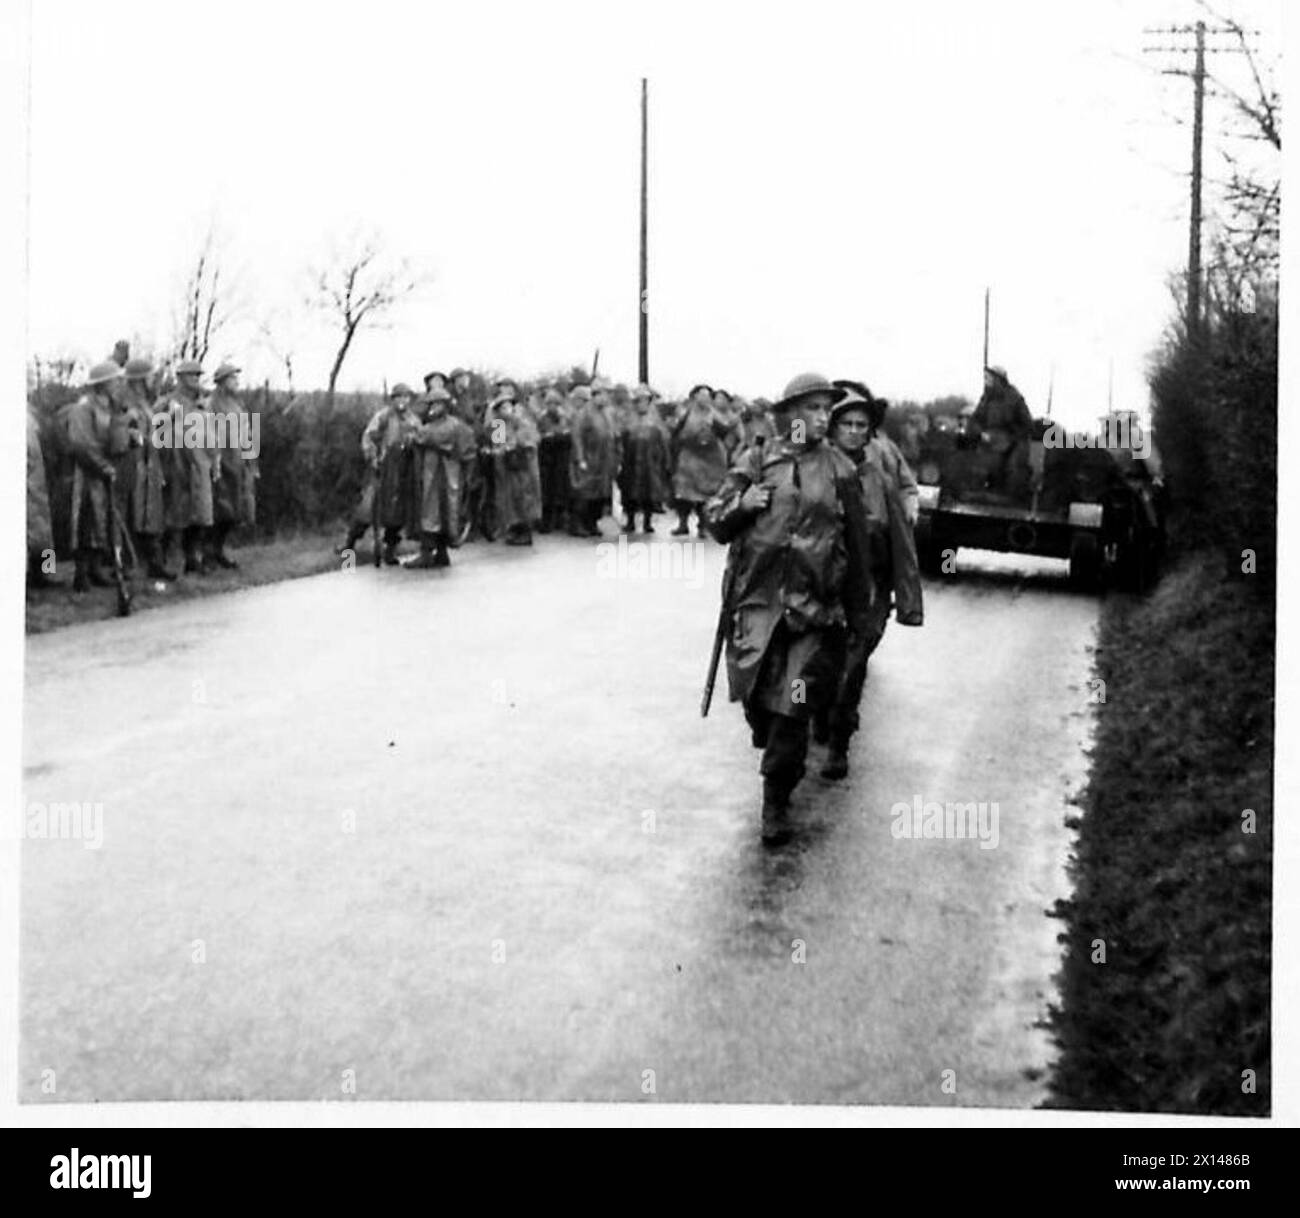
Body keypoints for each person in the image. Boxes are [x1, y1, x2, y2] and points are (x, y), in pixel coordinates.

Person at [703, 372, 874, 846]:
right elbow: (714, 519)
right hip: (757, 609)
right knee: (760, 706)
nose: (825, 419)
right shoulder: (757, 460)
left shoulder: (841, 470)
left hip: (813, 615)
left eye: (828, 410)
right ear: (792, 415)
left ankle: (775, 801)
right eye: (816, 409)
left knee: (793, 708)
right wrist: (743, 504)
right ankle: (771, 746)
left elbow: (858, 549)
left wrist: (859, 616)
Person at [815, 381, 925, 779]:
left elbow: (902, 499)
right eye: (847, 423)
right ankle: (823, 716)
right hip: (824, 583)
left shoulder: (880, 463)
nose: (857, 431)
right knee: (821, 665)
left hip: (870, 583)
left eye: (863, 424)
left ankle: (839, 742)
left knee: (854, 662)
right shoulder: (813, 465)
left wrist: (907, 508)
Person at [63, 361, 128, 592]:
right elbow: (81, 444)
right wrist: (102, 466)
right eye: (115, 380)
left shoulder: (112, 407)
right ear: (104, 383)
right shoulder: (83, 408)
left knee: (104, 522)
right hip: (87, 472)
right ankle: (81, 574)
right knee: (85, 521)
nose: (119, 383)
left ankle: (96, 568)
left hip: (106, 471)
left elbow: (115, 436)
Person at [337, 383, 418, 564]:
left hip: (402, 472)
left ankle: (390, 550)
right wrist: (372, 457)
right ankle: (349, 545)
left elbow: (419, 440)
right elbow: (368, 437)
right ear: (393, 399)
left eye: (406, 397)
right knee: (367, 507)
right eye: (399, 397)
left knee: (397, 513)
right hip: (382, 467)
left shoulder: (413, 420)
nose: (402, 401)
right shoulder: (383, 417)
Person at [158, 358, 220, 575]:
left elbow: (212, 436)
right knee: (176, 515)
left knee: (202, 514)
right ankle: (167, 560)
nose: (196, 379)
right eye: (191, 375)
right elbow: (158, 434)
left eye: (198, 375)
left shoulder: (204, 405)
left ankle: (194, 558)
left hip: (201, 464)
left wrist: (215, 462)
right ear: (180, 378)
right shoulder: (167, 402)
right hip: (177, 464)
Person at [405, 386, 476, 567]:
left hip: (441, 474)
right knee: (442, 511)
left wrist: (417, 436)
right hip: (438, 473)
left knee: (434, 511)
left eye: (437, 404)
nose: (433, 408)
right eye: (431, 405)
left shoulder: (449, 426)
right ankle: (441, 553)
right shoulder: (449, 425)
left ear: (445, 405)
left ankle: (429, 553)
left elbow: (430, 437)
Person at [119, 358, 174, 579]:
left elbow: (154, 436)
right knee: (133, 516)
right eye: (150, 376)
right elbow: (132, 435)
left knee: (150, 515)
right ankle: (130, 564)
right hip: (134, 466)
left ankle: (153, 563)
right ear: (140, 380)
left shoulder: (144, 403)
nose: (153, 380)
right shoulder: (128, 405)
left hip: (148, 465)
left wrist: (167, 421)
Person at [208, 362, 257, 569]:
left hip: (239, 465)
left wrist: (252, 463)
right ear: (222, 382)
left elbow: (247, 434)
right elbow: (208, 435)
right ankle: (210, 552)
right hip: (222, 463)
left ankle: (218, 550)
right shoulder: (212, 405)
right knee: (220, 510)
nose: (237, 382)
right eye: (232, 378)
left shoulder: (238, 405)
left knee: (236, 512)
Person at [484, 378, 542, 546]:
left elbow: (531, 439)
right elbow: (497, 445)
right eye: (501, 407)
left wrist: (515, 445)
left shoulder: (522, 420)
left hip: (523, 466)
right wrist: (497, 451)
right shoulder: (499, 424)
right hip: (507, 468)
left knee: (524, 498)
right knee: (509, 499)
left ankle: (525, 530)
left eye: (508, 405)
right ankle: (514, 528)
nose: (505, 409)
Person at [670, 384, 730, 536]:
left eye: (708, 396)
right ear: (695, 397)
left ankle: (702, 525)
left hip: (709, 459)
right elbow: (675, 431)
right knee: (684, 493)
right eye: (702, 395)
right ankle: (683, 523)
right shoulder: (686, 412)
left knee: (706, 494)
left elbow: (725, 430)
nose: (705, 398)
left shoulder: (715, 414)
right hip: (689, 457)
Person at [617, 384, 672, 533]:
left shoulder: (655, 421)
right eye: (639, 401)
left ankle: (647, 522)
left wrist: (666, 461)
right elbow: (620, 439)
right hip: (631, 461)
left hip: (651, 462)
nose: (642, 404)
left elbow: (664, 441)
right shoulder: (627, 420)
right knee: (629, 491)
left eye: (645, 400)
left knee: (649, 492)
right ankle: (630, 521)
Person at [968, 365, 1033, 492]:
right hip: (987, 440)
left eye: (989, 377)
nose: (986, 380)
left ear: (998, 379)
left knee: (1013, 469)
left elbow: (1027, 425)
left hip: (1012, 443)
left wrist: (1011, 438)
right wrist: (980, 433)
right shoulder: (986, 398)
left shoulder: (1015, 398)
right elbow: (974, 420)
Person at [568, 383, 619, 536]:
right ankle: (578, 524)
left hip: (603, 461)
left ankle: (592, 523)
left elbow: (614, 436)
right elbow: (576, 436)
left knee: (599, 495)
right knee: (584, 493)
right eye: (601, 394)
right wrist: (580, 458)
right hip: (589, 459)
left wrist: (616, 457)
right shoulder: (583, 414)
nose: (604, 398)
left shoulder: (607, 414)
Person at [27, 403, 57, 589]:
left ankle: (48, 573)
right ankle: (33, 577)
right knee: (31, 535)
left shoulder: (33, 416)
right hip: (30, 481)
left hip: (40, 480)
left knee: (45, 533)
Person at [535, 387, 572, 534]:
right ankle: (547, 521)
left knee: (560, 489)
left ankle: (559, 519)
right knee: (546, 490)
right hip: (546, 458)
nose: (553, 407)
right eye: (550, 404)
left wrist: (560, 436)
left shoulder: (564, 418)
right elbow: (539, 436)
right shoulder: (542, 419)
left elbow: (569, 435)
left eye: (556, 404)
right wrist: (550, 437)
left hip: (560, 458)